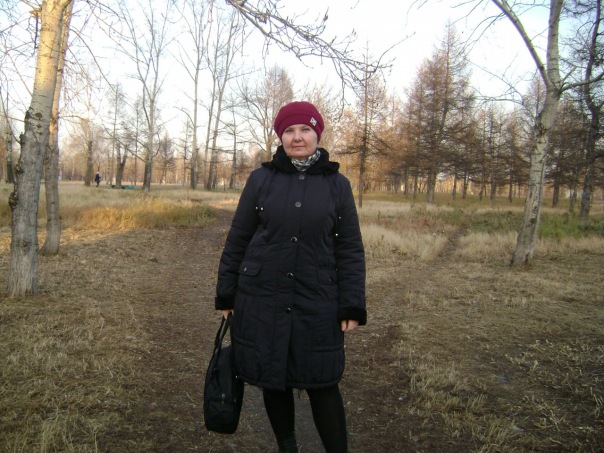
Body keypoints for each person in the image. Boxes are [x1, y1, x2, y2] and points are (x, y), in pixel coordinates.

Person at [214, 101, 366, 453]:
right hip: (262, 296)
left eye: (305, 130)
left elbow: (350, 248)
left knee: (322, 382)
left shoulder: (338, 185)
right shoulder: (261, 180)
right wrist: (227, 294)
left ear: (317, 134)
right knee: (274, 380)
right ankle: (288, 447)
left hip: (318, 300)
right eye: (289, 131)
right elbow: (238, 238)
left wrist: (352, 305)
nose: (298, 137)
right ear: (280, 137)